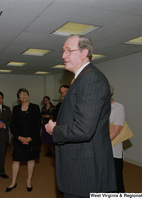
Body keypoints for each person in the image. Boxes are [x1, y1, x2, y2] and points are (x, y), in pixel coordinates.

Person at [45, 35, 116, 197]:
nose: (63, 56)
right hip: (79, 166)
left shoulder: (91, 78)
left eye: (69, 51)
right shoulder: (81, 79)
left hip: (86, 171)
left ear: (84, 53)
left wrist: (55, 130)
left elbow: (84, 128)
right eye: (63, 51)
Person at [6, 88, 41, 193]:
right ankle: (13, 182)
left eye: (25, 94)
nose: (23, 96)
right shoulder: (16, 108)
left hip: (32, 138)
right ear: (18, 98)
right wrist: (19, 137)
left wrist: (30, 138)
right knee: (16, 160)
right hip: (19, 138)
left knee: (30, 160)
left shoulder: (35, 107)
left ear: (28, 96)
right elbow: (13, 125)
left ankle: (29, 181)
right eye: (21, 95)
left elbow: (38, 124)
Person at [109, 86, 125, 193]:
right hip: (101, 150)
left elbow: (117, 129)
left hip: (113, 150)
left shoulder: (118, 107)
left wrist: (101, 144)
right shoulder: (98, 107)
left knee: (116, 180)